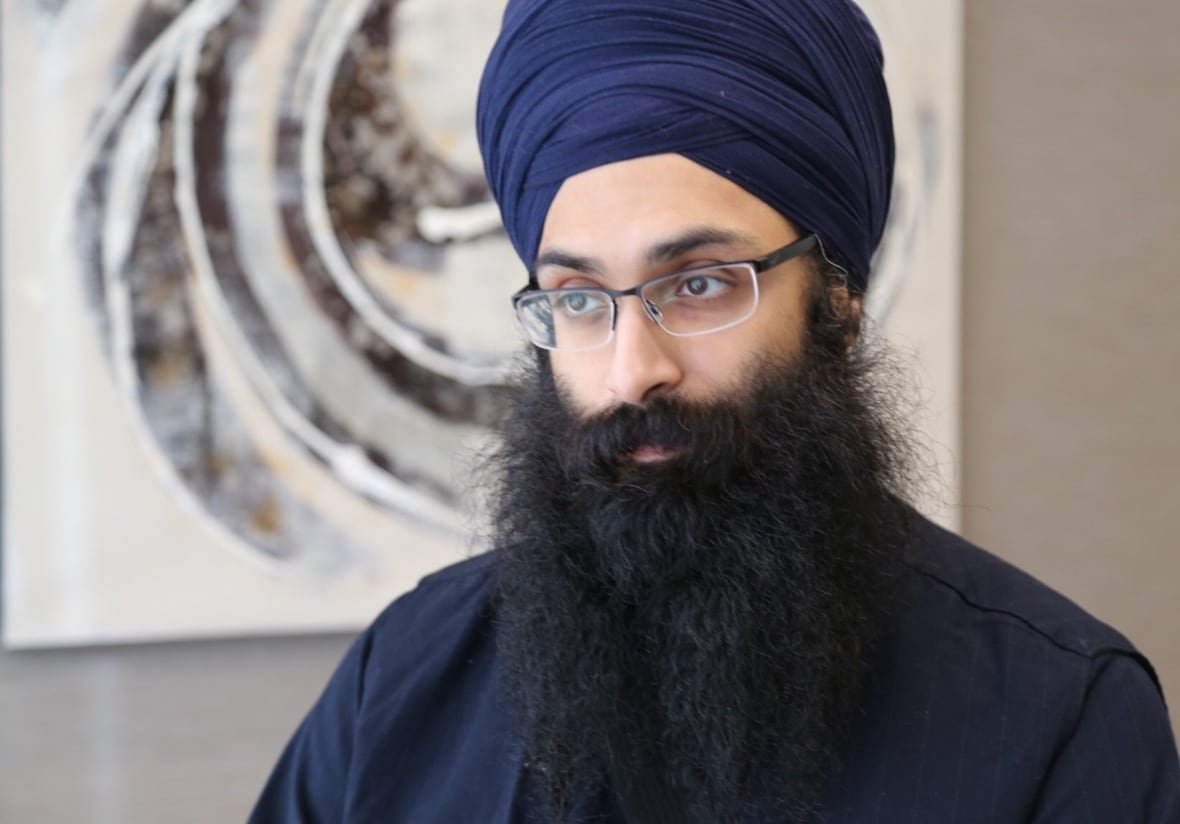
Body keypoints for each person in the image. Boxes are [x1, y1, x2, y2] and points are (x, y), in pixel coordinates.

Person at [250, 0, 1180, 821]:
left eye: (697, 284)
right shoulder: (402, 682)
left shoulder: (1059, 713)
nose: (630, 372)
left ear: (838, 301)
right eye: (578, 298)